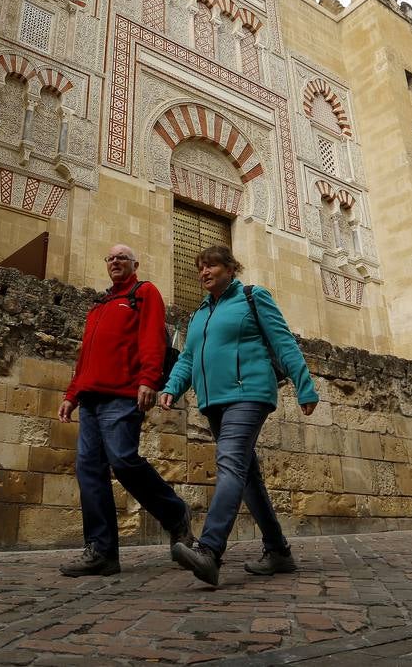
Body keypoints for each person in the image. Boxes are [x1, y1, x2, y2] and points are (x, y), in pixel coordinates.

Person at [160, 244, 319, 587]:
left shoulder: (252, 296)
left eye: (212, 266)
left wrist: (304, 386)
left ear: (230, 268)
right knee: (247, 477)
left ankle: (209, 550)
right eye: (200, 267)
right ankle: (278, 551)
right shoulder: (199, 313)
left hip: (249, 392)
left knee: (230, 462)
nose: (204, 272)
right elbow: (188, 358)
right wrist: (172, 386)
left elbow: (283, 342)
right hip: (213, 400)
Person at [58, 243, 193, 576]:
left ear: (135, 264)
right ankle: (102, 551)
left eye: (122, 258)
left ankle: (175, 514)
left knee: (122, 459)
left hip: (122, 396)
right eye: (111, 258)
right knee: (89, 471)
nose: (115, 261)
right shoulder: (99, 305)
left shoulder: (143, 293)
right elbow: (85, 357)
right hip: (90, 399)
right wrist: (71, 394)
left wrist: (148, 379)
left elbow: (152, 340)